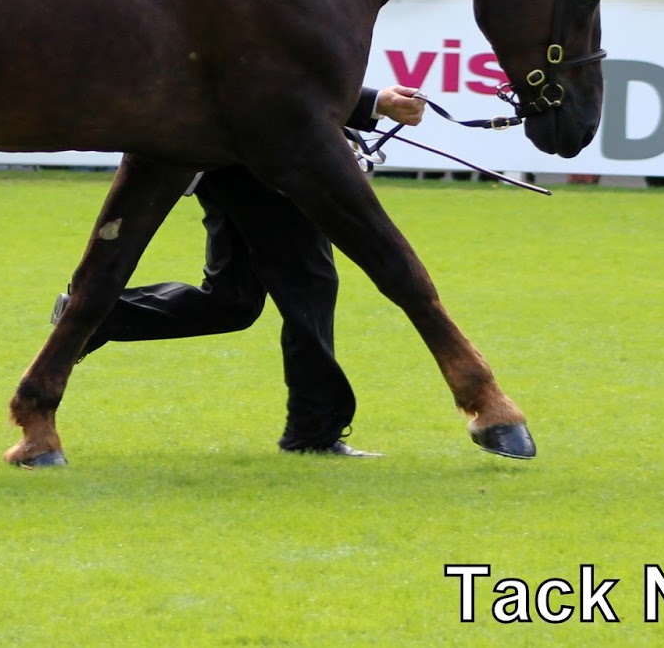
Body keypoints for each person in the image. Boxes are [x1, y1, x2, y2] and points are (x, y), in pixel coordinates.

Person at [52, 84, 427, 457]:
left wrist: (372, 104)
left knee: (233, 300)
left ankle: (93, 316)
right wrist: (371, 103)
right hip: (258, 152)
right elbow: (278, 67)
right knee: (309, 283)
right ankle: (313, 431)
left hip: (220, 155)